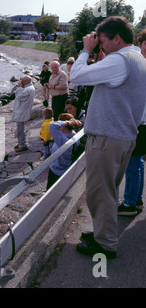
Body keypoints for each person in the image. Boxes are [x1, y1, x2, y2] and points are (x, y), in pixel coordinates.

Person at [70, 16, 146, 259]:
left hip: (107, 138)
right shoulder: (138, 59)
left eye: (101, 42)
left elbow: (77, 76)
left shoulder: (120, 60)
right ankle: (104, 233)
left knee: (99, 192)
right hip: (123, 136)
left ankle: (105, 245)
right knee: (109, 191)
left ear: (116, 38)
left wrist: (85, 50)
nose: (99, 47)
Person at [119, 29, 146, 216]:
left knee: (133, 163)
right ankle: (136, 200)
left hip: (141, 121)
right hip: (141, 120)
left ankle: (129, 203)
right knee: (138, 162)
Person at [46, 113, 81, 189]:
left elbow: (52, 125)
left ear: (63, 126)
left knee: (51, 192)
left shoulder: (63, 140)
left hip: (57, 171)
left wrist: (68, 122)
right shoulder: (73, 134)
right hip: (64, 168)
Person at [11, 75, 35, 152]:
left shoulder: (27, 89)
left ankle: (22, 145)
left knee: (20, 129)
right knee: (21, 128)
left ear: (26, 81)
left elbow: (19, 97)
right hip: (22, 111)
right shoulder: (29, 88)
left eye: (21, 81)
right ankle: (21, 142)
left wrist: (20, 87)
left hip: (22, 112)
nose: (20, 82)